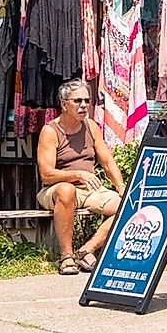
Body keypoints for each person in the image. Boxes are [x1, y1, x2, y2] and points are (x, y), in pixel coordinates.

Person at [35, 80, 124, 274]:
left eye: (86, 100)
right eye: (77, 101)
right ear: (64, 104)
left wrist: (120, 185)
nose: (83, 105)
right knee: (67, 190)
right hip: (57, 189)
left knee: (125, 206)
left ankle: (86, 250)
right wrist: (77, 174)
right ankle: (66, 256)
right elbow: (46, 174)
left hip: (89, 189)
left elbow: (107, 162)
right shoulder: (50, 131)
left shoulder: (91, 126)